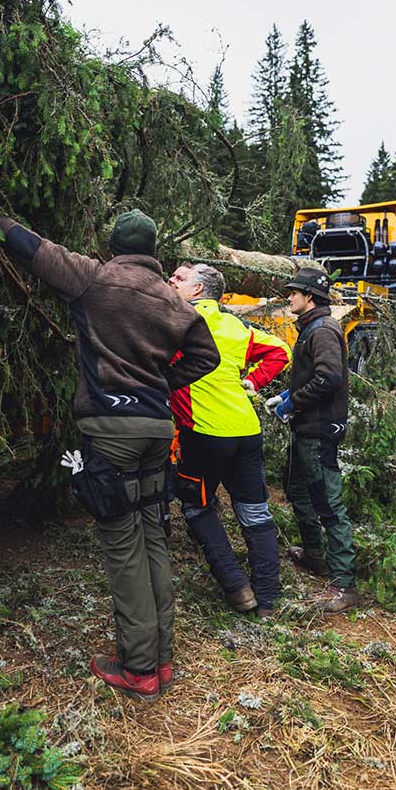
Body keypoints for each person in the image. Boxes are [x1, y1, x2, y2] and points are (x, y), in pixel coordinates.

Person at [0, 210, 220, 700]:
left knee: (122, 545)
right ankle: (162, 661)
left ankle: (138, 669)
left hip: (112, 429)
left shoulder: (96, 277)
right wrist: (160, 385)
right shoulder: (174, 300)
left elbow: (35, 249)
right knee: (153, 537)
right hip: (158, 430)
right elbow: (209, 358)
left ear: (113, 244)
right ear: (155, 248)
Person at [168, 262, 291, 618]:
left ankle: (237, 588)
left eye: (180, 278)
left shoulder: (179, 322)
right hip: (246, 431)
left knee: (197, 508)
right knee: (254, 513)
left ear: (197, 291)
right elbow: (281, 351)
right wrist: (253, 382)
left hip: (205, 435)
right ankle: (267, 599)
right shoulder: (235, 325)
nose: (171, 281)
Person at [265, 266, 358, 613]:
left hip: (319, 431)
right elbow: (314, 376)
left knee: (329, 505)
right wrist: (288, 396)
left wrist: (292, 402)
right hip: (306, 428)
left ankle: (344, 585)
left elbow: (329, 378)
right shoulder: (311, 328)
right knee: (297, 487)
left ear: (310, 297)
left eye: (294, 293)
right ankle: (314, 555)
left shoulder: (322, 330)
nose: (289, 297)